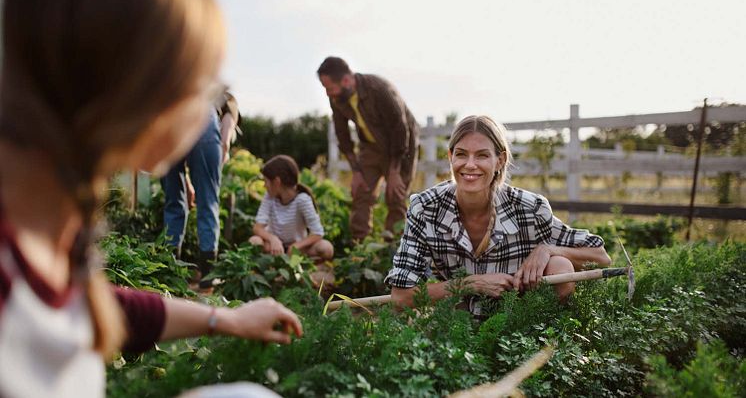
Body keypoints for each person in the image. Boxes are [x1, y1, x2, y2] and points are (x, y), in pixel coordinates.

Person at [0, 0, 301, 397]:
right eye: (205, 87)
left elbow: (92, 306)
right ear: (149, 88)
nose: (205, 111)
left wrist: (224, 319)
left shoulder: (47, 214)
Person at [385, 115, 611, 315]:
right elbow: (400, 297)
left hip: (521, 316)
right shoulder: (425, 208)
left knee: (560, 265)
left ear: (500, 160)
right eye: (462, 154)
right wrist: (471, 283)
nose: (470, 165)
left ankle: (546, 343)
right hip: (459, 319)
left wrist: (547, 249)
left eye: (482, 156)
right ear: (450, 157)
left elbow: (601, 256)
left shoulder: (529, 208)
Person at [317, 56, 419, 241]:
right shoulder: (337, 99)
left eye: (330, 88)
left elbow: (400, 129)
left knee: (395, 196)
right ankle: (360, 246)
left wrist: (394, 171)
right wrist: (356, 171)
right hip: (370, 147)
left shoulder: (379, 89)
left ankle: (394, 247)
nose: (328, 94)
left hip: (400, 147)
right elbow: (342, 134)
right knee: (361, 192)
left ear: (346, 81)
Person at [161, 90, 239, 287]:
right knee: (208, 202)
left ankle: (170, 272)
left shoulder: (170, 82)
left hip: (167, 123)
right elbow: (230, 113)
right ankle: (208, 276)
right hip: (203, 122)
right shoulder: (216, 91)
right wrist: (225, 143)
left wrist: (185, 181)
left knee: (174, 203)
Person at [249, 155, 334, 261]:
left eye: (266, 181)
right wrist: (273, 239)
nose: (264, 186)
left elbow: (318, 233)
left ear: (276, 182)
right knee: (255, 242)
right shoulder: (269, 197)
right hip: (274, 247)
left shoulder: (302, 200)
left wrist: (296, 246)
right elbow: (257, 228)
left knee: (326, 248)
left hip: (297, 248)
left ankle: (298, 264)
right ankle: (280, 262)